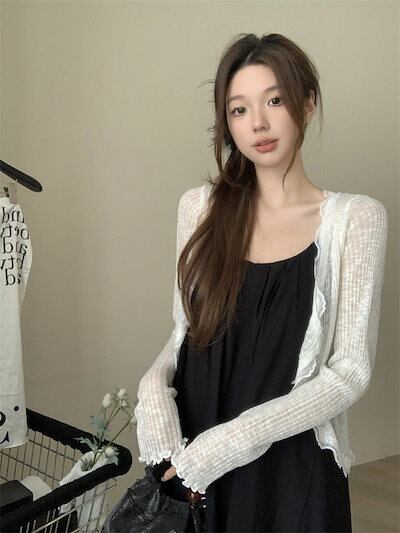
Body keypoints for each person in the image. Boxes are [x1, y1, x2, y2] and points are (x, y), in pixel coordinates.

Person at [134, 33, 388, 532]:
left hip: (287, 466)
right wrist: (153, 389)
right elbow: (184, 332)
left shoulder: (356, 219)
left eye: (274, 100)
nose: (258, 124)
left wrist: (230, 444)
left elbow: (350, 372)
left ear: (307, 102)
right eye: (239, 109)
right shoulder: (199, 209)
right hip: (195, 454)